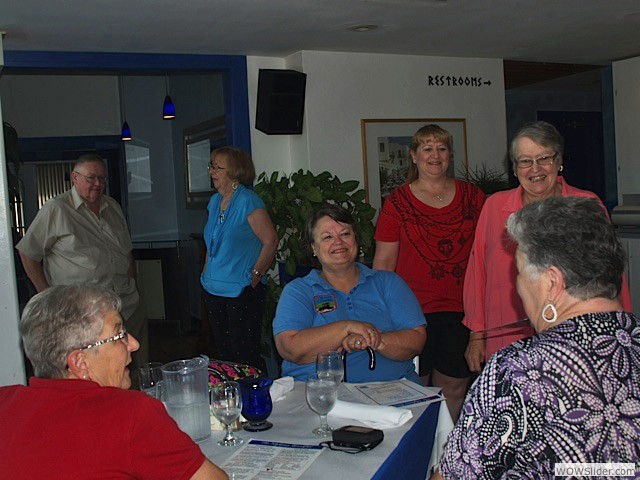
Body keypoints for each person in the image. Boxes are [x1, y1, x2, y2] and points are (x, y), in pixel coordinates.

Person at [434, 196, 640, 478]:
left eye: (519, 273)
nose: (517, 287)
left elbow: (456, 475)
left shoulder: (519, 370)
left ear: (552, 283)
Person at [0, 285, 228, 480]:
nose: (135, 344)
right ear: (80, 362)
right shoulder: (131, 413)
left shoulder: (5, 402)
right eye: (119, 335)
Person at [463, 120, 631, 372]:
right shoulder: (495, 207)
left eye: (544, 158)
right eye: (525, 161)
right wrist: (477, 335)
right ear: (514, 167)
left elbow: (612, 274)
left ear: (558, 160)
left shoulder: (586, 205)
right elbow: (478, 272)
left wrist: (621, 326)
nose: (535, 169)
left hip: (576, 335)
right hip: (507, 334)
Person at [374, 124, 485, 421]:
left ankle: (447, 454)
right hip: (410, 313)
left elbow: (487, 256)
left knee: (455, 385)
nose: (434, 155)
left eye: (441, 148)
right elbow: (383, 263)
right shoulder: (397, 202)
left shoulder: (474, 197)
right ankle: (419, 454)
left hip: (462, 310)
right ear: (413, 156)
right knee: (415, 388)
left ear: (449, 155)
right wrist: (381, 314)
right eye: (427, 149)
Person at [16, 153, 148, 382]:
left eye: (102, 178)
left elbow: (126, 252)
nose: (97, 184)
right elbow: (28, 252)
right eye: (91, 178)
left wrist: (132, 283)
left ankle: (138, 411)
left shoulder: (112, 207)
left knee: (135, 371)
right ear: (75, 178)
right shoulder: (56, 209)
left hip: (127, 305)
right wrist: (47, 295)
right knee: (95, 378)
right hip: (86, 319)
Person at [273, 204, 426, 383]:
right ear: (313, 248)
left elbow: (416, 339)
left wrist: (373, 339)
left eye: (345, 234)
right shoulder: (299, 291)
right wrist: (347, 328)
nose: (338, 242)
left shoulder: (387, 282)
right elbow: (290, 348)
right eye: (327, 237)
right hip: (322, 397)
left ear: (356, 240)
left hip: (394, 391)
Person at [201, 147, 277, 371]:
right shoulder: (215, 202)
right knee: (225, 355)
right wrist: (205, 274)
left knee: (245, 357)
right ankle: (231, 402)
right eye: (211, 166)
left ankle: (254, 400)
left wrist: (255, 277)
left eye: (218, 167)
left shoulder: (248, 201)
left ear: (235, 172)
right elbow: (211, 243)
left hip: (241, 292)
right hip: (213, 289)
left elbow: (271, 240)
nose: (212, 171)